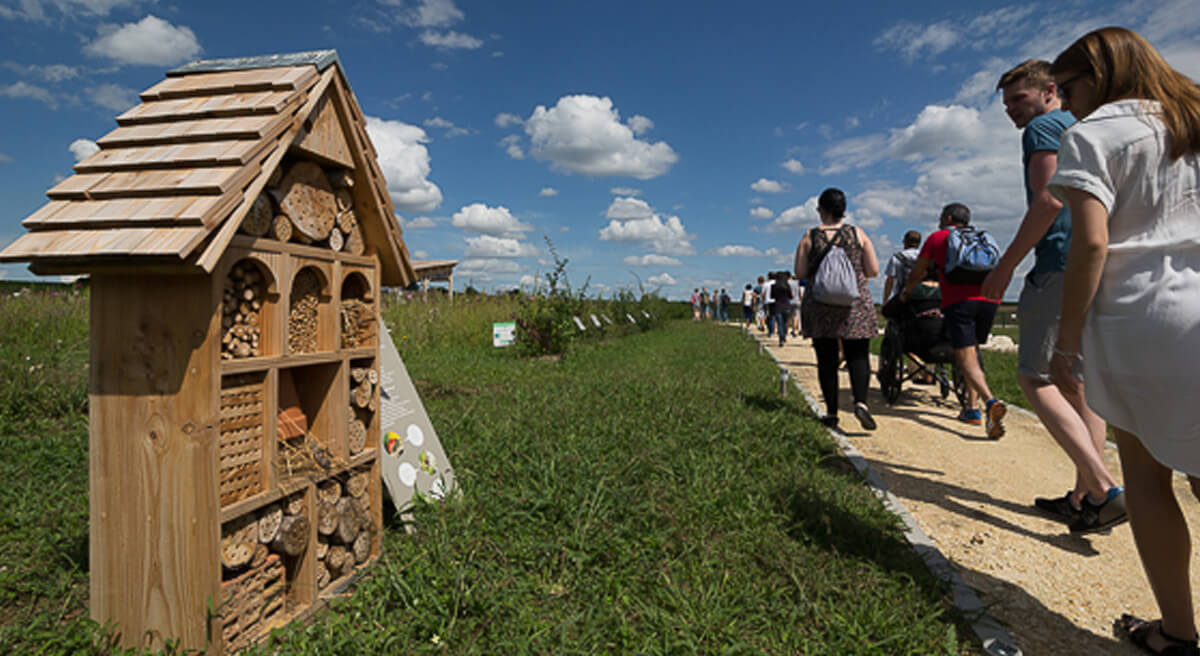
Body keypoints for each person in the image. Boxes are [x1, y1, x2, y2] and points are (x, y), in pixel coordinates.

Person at [1047, 27, 1200, 655]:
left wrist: (1067, 342)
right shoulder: (1191, 118)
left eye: (1069, 87)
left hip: (1146, 318)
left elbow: (1091, 242)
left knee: (1147, 473)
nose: (1066, 102)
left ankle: (1177, 634)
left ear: (1098, 76)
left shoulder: (1094, 133)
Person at [982, 59, 1126, 533]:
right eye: (1005, 104)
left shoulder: (1044, 127)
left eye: (1018, 98)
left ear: (1049, 90)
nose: (1010, 111)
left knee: (1033, 377)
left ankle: (1104, 489)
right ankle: (1083, 498)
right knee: (1077, 382)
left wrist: (1005, 266)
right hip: (1095, 263)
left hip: (1058, 263)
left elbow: (1050, 199)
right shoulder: (1083, 126)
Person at [901, 203, 1007, 438]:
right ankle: (971, 409)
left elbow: (918, 272)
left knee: (964, 354)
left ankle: (989, 402)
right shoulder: (982, 238)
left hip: (960, 302)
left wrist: (907, 292)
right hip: (990, 300)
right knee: (974, 350)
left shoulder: (937, 237)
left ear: (948, 218)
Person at [794, 188, 879, 431]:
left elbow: (800, 273)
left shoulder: (809, 236)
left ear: (821, 209)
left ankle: (831, 413)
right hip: (854, 303)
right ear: (843, 210)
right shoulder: (857, 233)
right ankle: (861, 402)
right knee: (858, 356)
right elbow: (872, 270)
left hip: (821, 303)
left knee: (826, 359)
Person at [882, 230, 922, 304]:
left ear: (905, 242)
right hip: (920, 298)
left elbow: (890, 281)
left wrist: (885, 300)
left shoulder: (896, 258)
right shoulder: (923, 258)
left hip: (901, 298)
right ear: (919, 243)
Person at [770, 272, 792, 346]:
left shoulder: (774, 286)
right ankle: (784, 335)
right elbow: (790, 296)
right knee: (785, 323)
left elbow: (772, 296)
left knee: (780, 323)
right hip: (786, 306)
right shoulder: (787, 285)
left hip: (778, 306)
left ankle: (781, 339)